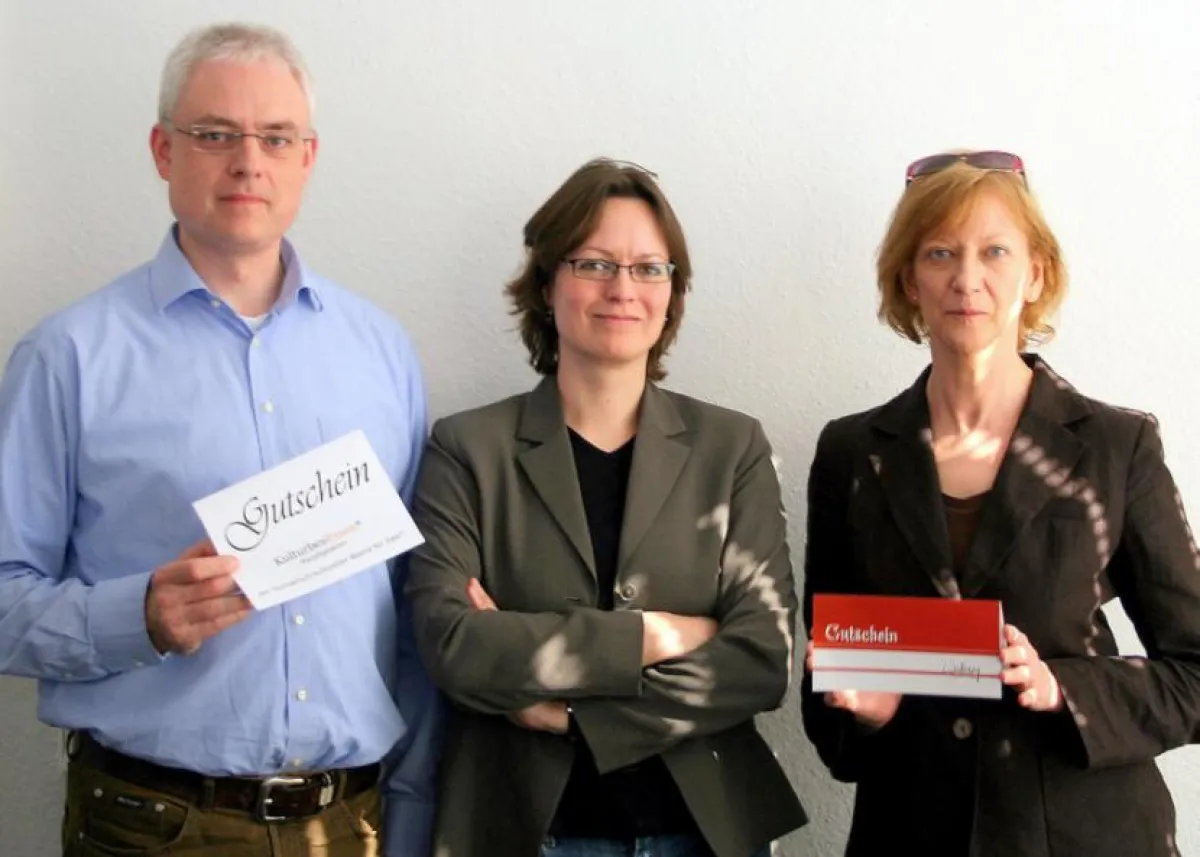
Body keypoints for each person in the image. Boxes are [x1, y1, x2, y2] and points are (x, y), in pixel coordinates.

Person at [0, 22, 438, 857]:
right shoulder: (69, 356)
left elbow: (412, 599)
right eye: (215, 134)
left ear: (307, 157)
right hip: (153, 826)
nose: (248, 161)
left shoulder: (382, 352)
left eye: (276, 137)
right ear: (164, 150)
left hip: (354, 822)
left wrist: (411, 809)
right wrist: (137, 617)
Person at [801, 150, 1200, 856]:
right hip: (911, 830)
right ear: (908, 278)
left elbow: (1195, 671)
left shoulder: (1117, 444)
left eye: (994, 251)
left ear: (1035, 272)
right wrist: (861, 714)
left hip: (1088, 835)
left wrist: (1061, 688)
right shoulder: (850, 452)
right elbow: (828, 691)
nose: (967, 278)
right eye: (940, 253)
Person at [404, 158, 807, 857]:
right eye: (594, 263)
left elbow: (760, 659)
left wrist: (570, 716)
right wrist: (655, 634)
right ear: (547, 281)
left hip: (700, 833)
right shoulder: (468, 448)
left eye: (649, 268)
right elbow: (452, 644)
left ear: (673, 291)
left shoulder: (731, 447)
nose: (623, 288)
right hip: (524, 832)